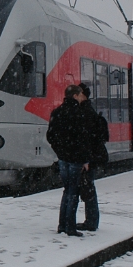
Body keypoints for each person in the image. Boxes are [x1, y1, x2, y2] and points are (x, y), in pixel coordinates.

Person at [46, 84, 92, 237]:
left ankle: (62, 225)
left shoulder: (57, 112)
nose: (81, 97)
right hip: (76, 159)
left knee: (67, 191)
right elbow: (83, 139)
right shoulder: (79, 113)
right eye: (80, 95)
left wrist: (60, 151)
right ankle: (70, 227)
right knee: (73, 193)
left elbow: (50, 136)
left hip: (63, 158)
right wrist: (85, 160)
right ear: (75, 96)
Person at [76, 82, 109, 231]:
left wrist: (86, 159)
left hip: (90, 158)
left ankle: (91, 222)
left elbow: (87, 139)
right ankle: (91, 221)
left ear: (82, 94)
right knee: (88, 188)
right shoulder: (88, 110)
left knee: (88, 189)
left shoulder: (85, 112)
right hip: (93, 156)